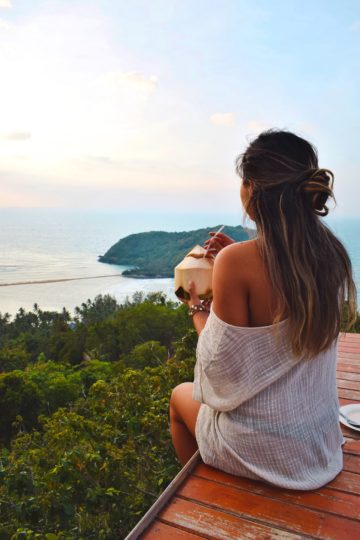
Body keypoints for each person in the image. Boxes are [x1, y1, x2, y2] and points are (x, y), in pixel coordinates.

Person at [169, 129, 357, 489]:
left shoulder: (235, 262)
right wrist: (238, 251)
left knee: (180, 396)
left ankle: (207, 494)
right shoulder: (333, 255)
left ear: (252, 189)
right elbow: (284, 285)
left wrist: (196, 309)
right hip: (316, 446)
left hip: (260, 450)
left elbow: (221, 376)